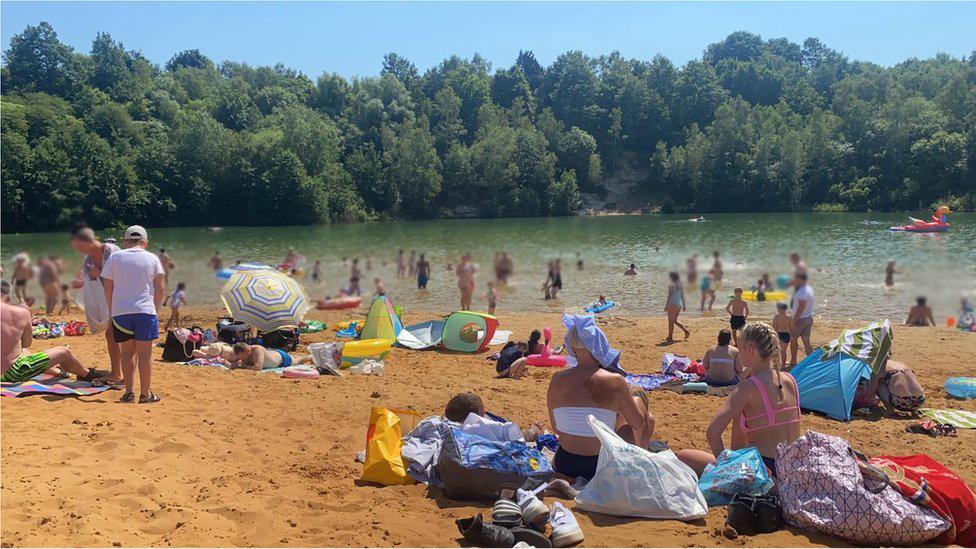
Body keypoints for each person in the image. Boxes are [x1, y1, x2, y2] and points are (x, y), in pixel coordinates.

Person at [547, 326, 653, 481]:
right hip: (599, 467)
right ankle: (644, 453)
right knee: (637, 402)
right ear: (598, 346)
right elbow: (638, 425)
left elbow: (556, 428)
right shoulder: (615, 381)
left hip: (565, 464)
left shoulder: (557, 380)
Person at [702, 322, 802, 478]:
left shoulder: (747, 388)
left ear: (749, 350)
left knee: (686, 457)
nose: (738, 350)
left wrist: (727, 470)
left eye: (740, 346)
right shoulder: (789, 380)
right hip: (793, 466)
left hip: (766, 471)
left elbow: (712, 433)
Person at [102, 225, 165, 403]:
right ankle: (145, 394)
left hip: (121, 312)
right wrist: (155, 309)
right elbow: (160, 288)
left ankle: (128, 393)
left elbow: (108, 287)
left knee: (127, 353)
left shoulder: (115, 257)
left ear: (125, 241)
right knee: (145, 355)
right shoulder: (152, 258)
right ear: (145, 242)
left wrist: (112, 309)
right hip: (145, 311)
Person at [1, 302, 107, 383]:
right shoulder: (21, 312)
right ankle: (86, 374)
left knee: (25, 352)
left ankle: (57, 371)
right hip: (12, 373)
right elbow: (26, 343)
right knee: (64, 352)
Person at [70, 226, 123, 383]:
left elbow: (124, 276)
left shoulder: (112, 251)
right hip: (110, 301)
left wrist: (99, 274)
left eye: (79, 247)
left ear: (88, 241)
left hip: (121, 298)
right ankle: (116, 373)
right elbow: (90, 283)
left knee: (114, 335)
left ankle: (117, 374)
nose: (79, 251)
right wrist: (78, 284)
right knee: (112, 335)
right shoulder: (88, 259)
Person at [789, 272, 815, 366]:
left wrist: (793, 321)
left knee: (793, 338)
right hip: (809, 317)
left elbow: (801, 308)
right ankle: (812, 360)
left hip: (801, 319)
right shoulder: (809, 289)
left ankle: (793, 361)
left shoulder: (801, 292)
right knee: (806, 341)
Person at [229, 342, 312, 371]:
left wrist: (242, 366)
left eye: (249, 350)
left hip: (282, 359)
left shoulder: (257, 349)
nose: (249, 352)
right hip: (273, 353)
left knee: (297, 361)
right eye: (247, 352)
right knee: (295, 357)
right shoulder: (240, 353)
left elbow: (257, 368)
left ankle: (309, 357)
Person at [665, 271, 690, 341]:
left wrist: (666, 305)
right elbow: (682, 296)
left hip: (673, 304)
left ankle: (670, 337)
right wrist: (684, 305)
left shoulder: (671, 284)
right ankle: (686, 331)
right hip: (679, 304)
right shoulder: (680, 285)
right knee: (674, 320)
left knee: (670, 321)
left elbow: (669, 295)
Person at [771, 302, 793, 368]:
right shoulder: (789, 317)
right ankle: (783, 366)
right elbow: (791, 327)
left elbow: (774, 327)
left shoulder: (776, 317)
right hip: (786, 335)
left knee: (776, 350)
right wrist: (791, 336)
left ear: (779, 309)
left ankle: (776, 364)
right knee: (783, 351)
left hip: (779, 334)